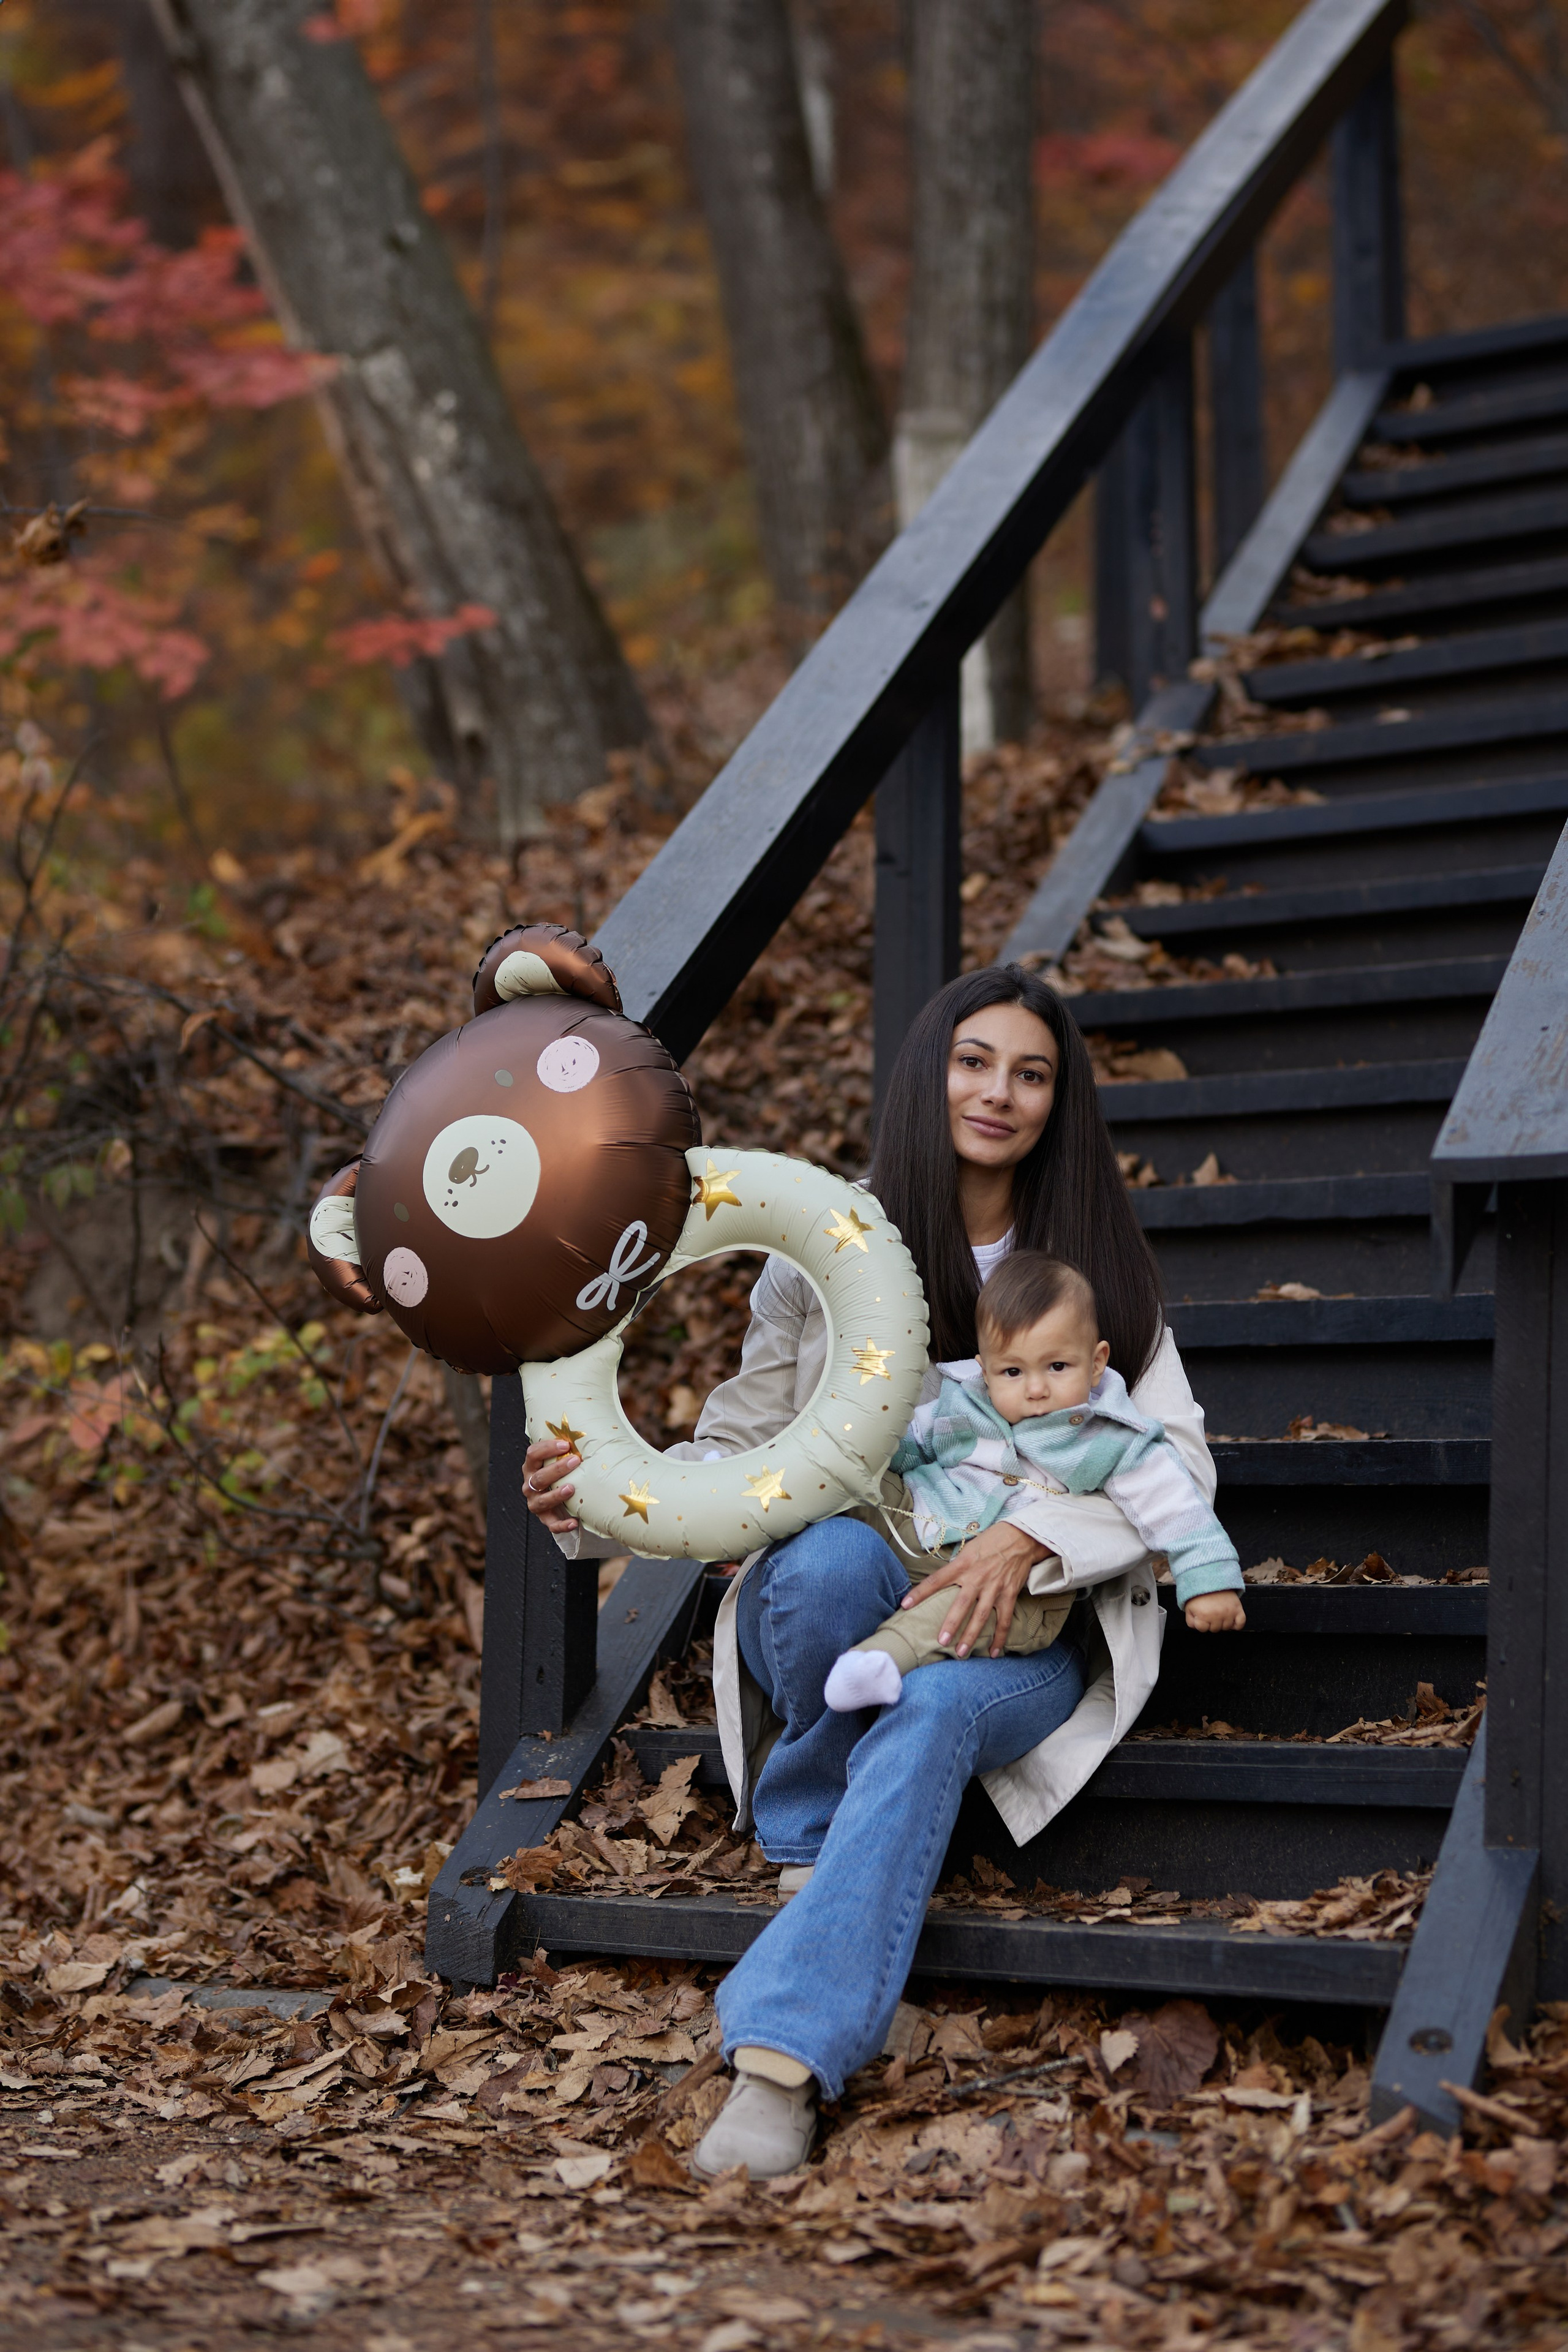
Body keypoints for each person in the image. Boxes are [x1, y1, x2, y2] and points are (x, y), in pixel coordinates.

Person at [523, 964, 1233, 2182]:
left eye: (1030, 1074)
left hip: (1014, 1633)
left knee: (934, 1704)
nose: (998, 1093)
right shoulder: (826, 1240)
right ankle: (819, 1846)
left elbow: (1178, 1463)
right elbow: (739, 1447)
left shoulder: (1094, 1264)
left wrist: (1034, 1535)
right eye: (973, 1062)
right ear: (927, 1073)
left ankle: (778, 2067)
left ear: (1056, 1101)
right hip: (840, 1599)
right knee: (831, 1557)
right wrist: (592, 1505)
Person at [822, 1250, 1245, 1714]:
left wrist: (1208, 1580)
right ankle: (779, 1497)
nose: (1036, 1389)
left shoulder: (1106, 1438)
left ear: (1096, 1362)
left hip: (1021, 1592)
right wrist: (860, 1452)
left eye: (1057, 1367)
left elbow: (1173, 1502)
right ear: (985, 1370)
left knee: (958, 1613)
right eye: (1013, 1372)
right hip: (922, 1523)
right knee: (857, 1478)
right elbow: (906, 1444)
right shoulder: (962, 1403)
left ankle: (880, 1660)